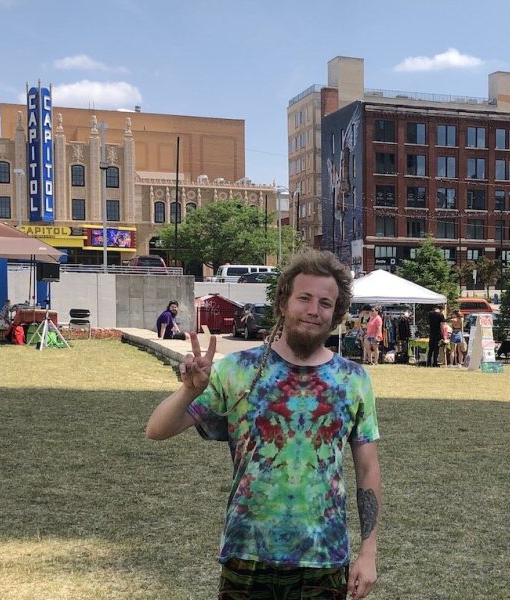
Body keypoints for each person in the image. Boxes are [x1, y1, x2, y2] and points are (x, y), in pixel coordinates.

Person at [146, 250, 381, 600]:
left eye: (325, 303)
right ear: (283, 302)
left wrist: (369, 551)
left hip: (323, 558)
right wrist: (188, 391)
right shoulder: (237, 370)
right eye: (304, 298)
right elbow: (157, 430)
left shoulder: (353, 379)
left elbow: (367, 467)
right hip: (247, 555)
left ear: (336, 315)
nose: (314, 310)